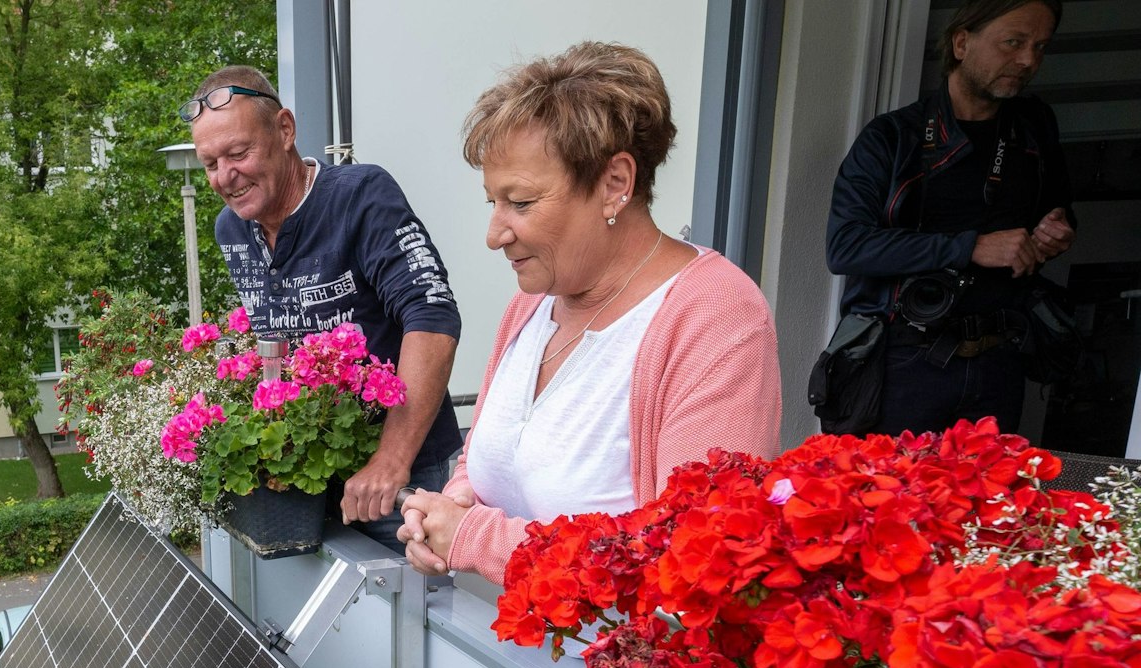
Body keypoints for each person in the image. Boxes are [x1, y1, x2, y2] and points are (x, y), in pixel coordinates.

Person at [399, 41, 781, 583]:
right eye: (494, 202)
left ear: (615, 184)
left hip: (609, 666)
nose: (494, 234)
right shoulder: (533, 302)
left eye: (522, 202)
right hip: (492, 656)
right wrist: (453, 501)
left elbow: (694, 553)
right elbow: (489, 458)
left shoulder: (716, 316)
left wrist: (472, 537)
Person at [186, 66, 461, 551]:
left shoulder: (360, 196)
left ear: (285, 130)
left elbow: (432, 314)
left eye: (239, 152)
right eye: (210, 163)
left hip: (405, 483)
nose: (226, 176)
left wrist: (391, 461)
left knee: (416, 616)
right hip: (311, 490)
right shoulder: (230, 229)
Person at [826, 0, 1072, 437]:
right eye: (1013, 42)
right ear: (962, 43)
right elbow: (846, 245)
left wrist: (1056, 227)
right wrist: (971, 246)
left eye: (1040, 46)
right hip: (903, 363)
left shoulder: (1034, 127)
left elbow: (1057, 206)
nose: (1028, 60)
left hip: (1000, 361)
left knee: (990, 504)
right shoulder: (892, 137)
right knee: (887, 502)